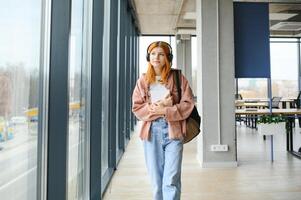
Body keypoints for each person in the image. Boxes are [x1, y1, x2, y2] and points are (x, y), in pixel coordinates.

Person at [132, 41, 195, 200]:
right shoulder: (143, 81)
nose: (156, 57)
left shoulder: (178, 77)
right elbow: (137, 108)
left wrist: (166, 110)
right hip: (151, 133)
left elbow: (188, 104)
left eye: (161, 54)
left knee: (171, 179)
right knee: (157, 181)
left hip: (174, 132)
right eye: (153, 54)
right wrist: (156, 109)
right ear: (148, 57)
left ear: (168, 57)